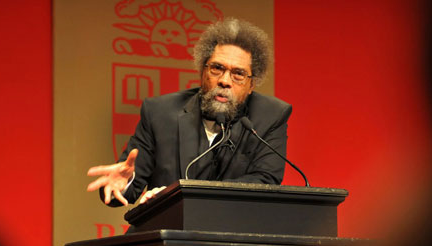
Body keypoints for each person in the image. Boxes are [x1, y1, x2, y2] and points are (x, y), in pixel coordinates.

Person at [87, 18, 292, 207]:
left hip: (233, 236)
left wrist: (181, 196)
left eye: (238, 74)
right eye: (217, 68)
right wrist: (124, 182)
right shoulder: (160, 113)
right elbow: (124, 189)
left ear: (251, 85)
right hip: (166, 235)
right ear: (202, 72)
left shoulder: (270, 116)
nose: (225, 81)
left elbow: (265, 182)